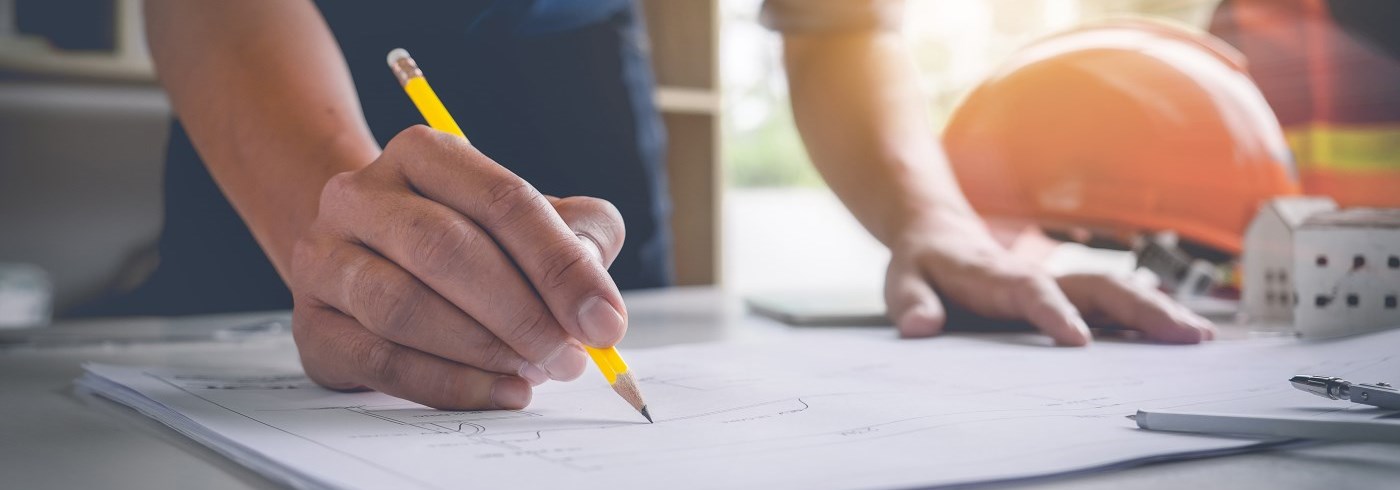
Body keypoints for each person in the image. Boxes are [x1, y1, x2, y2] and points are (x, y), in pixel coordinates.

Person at [110, 0, 1211, 410]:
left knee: (571, 338)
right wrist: (328, 221)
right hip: (282, 73)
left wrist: (937, 223)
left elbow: (836, 22)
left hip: (574, 62)